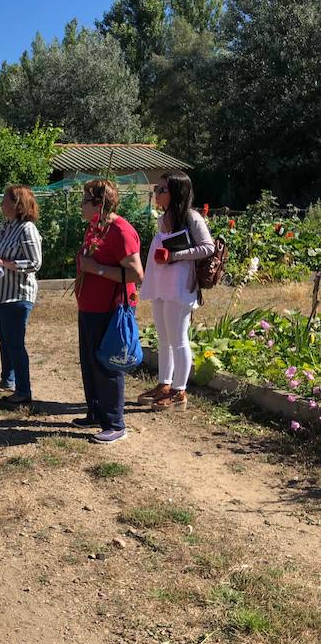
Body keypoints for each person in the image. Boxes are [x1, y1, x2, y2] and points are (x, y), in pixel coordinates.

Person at [74, 179, 144, 443]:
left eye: (84, 200)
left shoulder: (120, 230)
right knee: (90, 362)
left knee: (107, 364)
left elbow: (137, 274)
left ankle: (115, 423)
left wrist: (96, 269)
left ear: (99, 203)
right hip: (90, 307)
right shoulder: (97, 226)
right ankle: (96, 411)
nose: (81, 205)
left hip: (110, 309)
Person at [138, 171, 215, 411]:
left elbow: (208, 247)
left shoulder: (191, 217)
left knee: (178, 339)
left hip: (180, 285)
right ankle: (164, 384)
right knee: (164, 339)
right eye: (156, 189)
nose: (157, 193)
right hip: (162, 285)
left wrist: (174, 255)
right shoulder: (164, 218)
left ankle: (179, 390)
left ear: (176, 192)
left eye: (162, 189)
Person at [0, 185, 42, 407]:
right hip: (0, 294)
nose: (1, 204)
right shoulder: (6, 227)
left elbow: (34, 263)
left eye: (5, 201)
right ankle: (7, 380)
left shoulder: (27, 229)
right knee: (5, 341)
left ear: (17, 204)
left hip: (17, 295)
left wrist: (3, 263)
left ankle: (23, 390)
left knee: (15, 343)